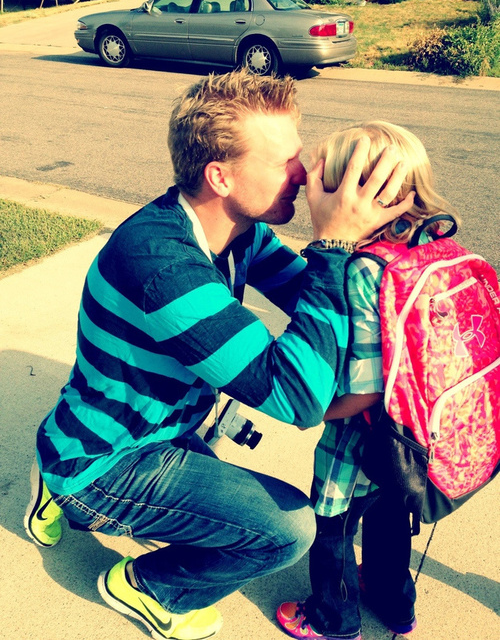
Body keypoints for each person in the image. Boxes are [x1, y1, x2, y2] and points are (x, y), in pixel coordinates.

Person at [24, 73, 413, 640]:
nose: (303, 174)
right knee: (287, 529)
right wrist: (332, 245)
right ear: (220, 176)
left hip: (159, 430)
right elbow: (297, 399)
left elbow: (317, 305)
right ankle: (147, 586)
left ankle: (59, 469)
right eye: (284, 161)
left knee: (234, 511)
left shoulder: (238, 233)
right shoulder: (162, 266)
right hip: (109, 459)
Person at [277, 120, 461, 640]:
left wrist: (312, 409)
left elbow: (365, 387)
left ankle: (332, 619)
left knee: (333, 525)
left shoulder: (363, 269)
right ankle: (396, 605)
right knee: (389, 519)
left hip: (359, 439)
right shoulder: (434, 245)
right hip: (412, 435)